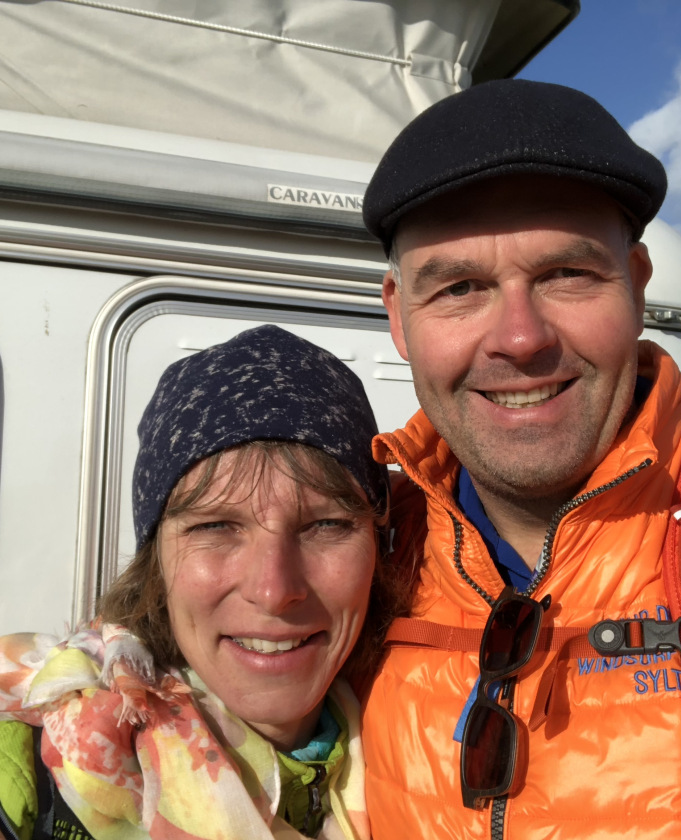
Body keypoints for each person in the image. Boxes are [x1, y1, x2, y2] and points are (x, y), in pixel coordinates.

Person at [359, 79, 681, 839]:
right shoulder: (364, 561)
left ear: (638, 287)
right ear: (398, 316)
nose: (521, 338)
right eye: (459, 287)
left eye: (566, 275)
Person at [0, 324, 400, 840]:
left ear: (380, 551)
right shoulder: (30, 773)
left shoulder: (421, 762)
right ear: (157, 562)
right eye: (215, 526)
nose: (274, 590)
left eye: (325, 524)